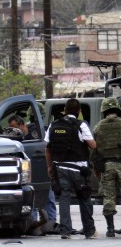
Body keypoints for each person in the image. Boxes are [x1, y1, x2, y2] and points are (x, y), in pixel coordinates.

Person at [45, 98, 97, 239]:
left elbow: (48, 149)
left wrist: (49, 167)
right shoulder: (81, 125)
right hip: (79, 169)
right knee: (84, 198)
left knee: (64, 198)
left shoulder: (53, 125)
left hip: (60, 168)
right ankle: (89, 231)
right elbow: (93, 145)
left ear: (65, 110)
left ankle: (65, 232)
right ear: (79, 111)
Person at [92, 97, 121, 238]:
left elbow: (94, 151)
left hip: (107, 166)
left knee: (108, 198)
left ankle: (110, 229)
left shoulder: (98, 127)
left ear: (104, 111)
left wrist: (96, 169)